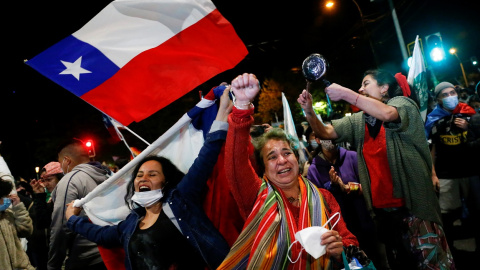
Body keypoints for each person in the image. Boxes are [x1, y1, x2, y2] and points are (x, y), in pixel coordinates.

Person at [298, 69, 454, 269]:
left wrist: (346, 94)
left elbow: (387, 114)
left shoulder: (403, 104)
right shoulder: (359, 121)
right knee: (400, 264)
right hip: (383, 213)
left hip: (414, 207)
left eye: (366, 84)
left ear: (384, 88)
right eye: (360, 86)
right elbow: (325, 132)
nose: (360, 88)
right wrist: (309, 111)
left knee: (431, 263)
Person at [64, 87, 233, 270]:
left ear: (165, 181)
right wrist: (73, 219)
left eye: (152, 174)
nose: (143, 178)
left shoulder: (181, 199)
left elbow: (205, 158)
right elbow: (102, 235)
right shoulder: (130, 223)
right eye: (139, 175)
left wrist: (222, 112)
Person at [218, 73, 367, 269]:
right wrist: (242, 106)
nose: (282, 160)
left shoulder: (324, 198)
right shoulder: (256, 197)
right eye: (272, 157)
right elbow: (235, 164)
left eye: (286, 152)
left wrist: (341, 248)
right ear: (263, 168)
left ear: (296, 158)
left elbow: (349, 241)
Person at [306, 133, 389, 269]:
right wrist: (332, 186)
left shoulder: (352, 157)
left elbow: (370, 186)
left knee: (377, 261)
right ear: (317, 140)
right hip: (341, 230)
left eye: (333, 135)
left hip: (365, 221)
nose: (331, 140)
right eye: (325, 137)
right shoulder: (314, 169)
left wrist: (347, 188)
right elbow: (316, 201)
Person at [424, 81, 478, 253]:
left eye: (452, 93)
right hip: (447, 174)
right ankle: (451, 252)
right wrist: (433, 174)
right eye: (444, 95)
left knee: (477, 211)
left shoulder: (469, 113)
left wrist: (468, 126)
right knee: (448, 215)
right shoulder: (433, 119)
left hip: (471, 171)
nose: (450, 97)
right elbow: (431, 149)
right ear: (438, 99)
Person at [48, 139, 113, 270]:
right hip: (111, 252)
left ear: (67, 160)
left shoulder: (70, 180)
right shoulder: (108, 176)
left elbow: (61, 225)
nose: (61, 168)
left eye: (61, 163)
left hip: (85, 258)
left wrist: (53, 264)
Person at [29, 162, 63, 270]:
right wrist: (39, 195)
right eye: (44, 180)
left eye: (49, 180)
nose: (46, 184)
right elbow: (43, 222)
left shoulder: (66, 197)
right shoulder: (50, 199)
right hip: (48, 250)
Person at [0, 175, 35, 270]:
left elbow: (26, 231)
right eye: (5, 196)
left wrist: (18, 208)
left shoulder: (8, 214)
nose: (9, 198)